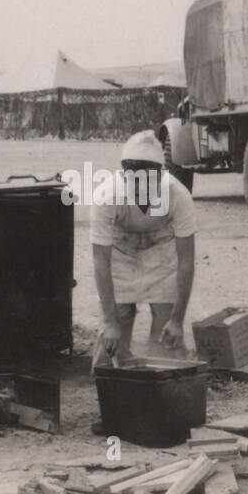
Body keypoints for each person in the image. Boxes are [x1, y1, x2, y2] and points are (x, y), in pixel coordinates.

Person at [91, 130, 197, 367]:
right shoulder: (106, 196)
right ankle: (111, 387)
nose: (141, 190)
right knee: (113, 336)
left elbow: (186, 259)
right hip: (120, 254)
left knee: (166, 341)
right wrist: (109, 321)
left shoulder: (179, 196)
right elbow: (100, 263)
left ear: (161, 176)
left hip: (160, 256)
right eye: (134, 181)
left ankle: (162, 391)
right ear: (124, 175)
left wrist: (177, 319)